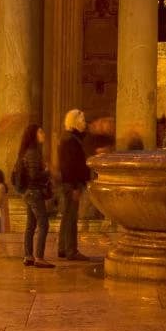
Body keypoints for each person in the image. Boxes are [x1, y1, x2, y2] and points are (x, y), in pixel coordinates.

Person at [14, 124, 53, 269]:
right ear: (34, 135)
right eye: (41, 132)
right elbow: (34, 175)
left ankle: (28, 256)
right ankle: (39, 257)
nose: (44, 134)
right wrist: (48, 171)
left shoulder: (27, 152)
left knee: (30, 225)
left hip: (28, 192)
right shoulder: (33, 153)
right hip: (34, 192)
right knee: (44, 224)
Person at [57, 109, 93, 262]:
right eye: (83, 121)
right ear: (76, 122)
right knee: (71, 218)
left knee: (67, 216)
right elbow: (70, 165)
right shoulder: (71, 141)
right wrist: (75, 186)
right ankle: (71, 250)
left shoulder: (70, 139)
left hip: (70, 183)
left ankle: (63, 248)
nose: (85, 124)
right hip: (72, 184)